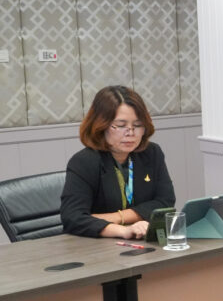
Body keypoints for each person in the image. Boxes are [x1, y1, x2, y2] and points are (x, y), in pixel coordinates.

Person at [60, 85, 175, 238]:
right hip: (95, 244)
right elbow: (72, 218)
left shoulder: (151, 153)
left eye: (138, 125)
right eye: (121, 126)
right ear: (101, 125)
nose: (131, 133)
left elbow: (165, 202)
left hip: (142, 239)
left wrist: (116, 217)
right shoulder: (84, 161)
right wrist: (124, 230)